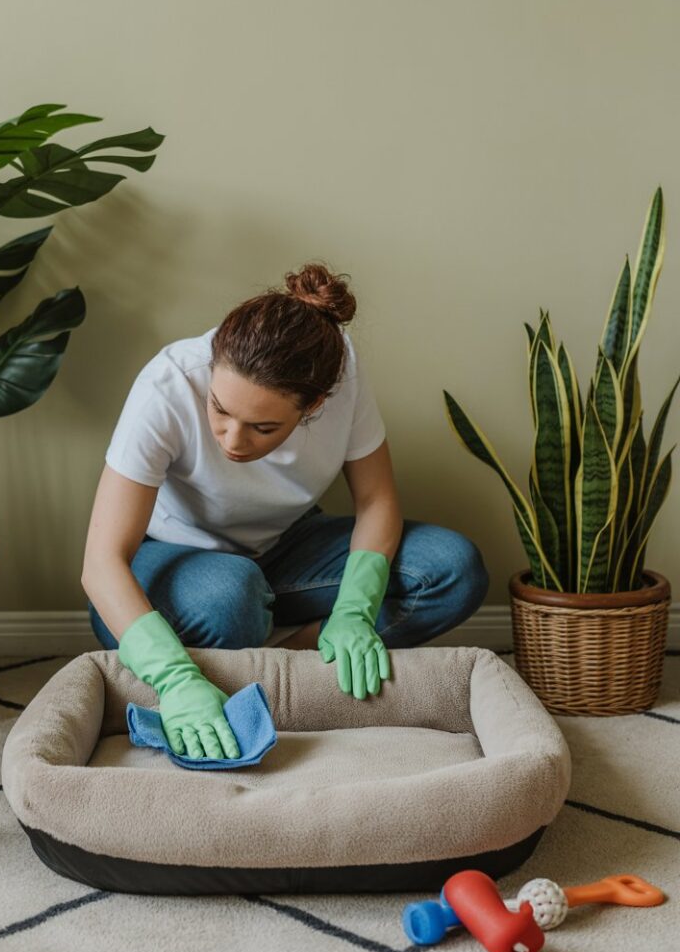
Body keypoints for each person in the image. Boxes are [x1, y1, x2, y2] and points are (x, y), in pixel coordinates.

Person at [82, 261, 490, 761]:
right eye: (219, 410)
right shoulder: (167, 383)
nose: (232, 439)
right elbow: (101, 563)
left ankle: (282, 672)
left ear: (314, 403)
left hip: (288, 546)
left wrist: (354, 612)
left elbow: (377, 501)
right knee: (231, 597)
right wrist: (175, 677)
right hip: (171, 560)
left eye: (263, 428)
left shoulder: (342, 376)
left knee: (454, 569)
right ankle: (213, 684)